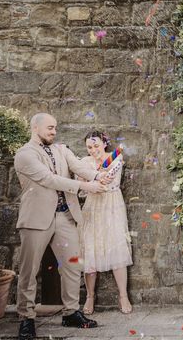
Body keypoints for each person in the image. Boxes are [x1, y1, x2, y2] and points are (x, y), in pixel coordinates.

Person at [13, 114, 108, 340]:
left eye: (55, 127)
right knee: (29, 271)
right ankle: (26, 318)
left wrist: (98, 175)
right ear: (35, 127)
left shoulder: (61, 150)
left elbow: (77, 166)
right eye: (49, 128)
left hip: (65, 216)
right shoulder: (24, 154)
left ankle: (71, 312)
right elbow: (49, 179)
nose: (54, 131)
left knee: (73, 266)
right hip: (36, 219)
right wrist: (87, 186)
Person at [78, 131, 133, 315]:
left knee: (116, 246)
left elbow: (110, 182)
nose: (93, 150)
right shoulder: (84, 162)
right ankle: (90, 296)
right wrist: (93, 177)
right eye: (89, 147)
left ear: (104, 143)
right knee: (91, 249)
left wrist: (100, 176)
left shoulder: (116, 157)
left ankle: (123, 295)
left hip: (112, 205)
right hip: (92, 207)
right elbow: (82, 188)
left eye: (96, 145)